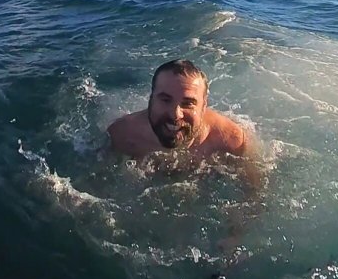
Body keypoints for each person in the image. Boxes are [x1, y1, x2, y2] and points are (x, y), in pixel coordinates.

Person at [108, 59, 262, 185]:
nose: (176, 114)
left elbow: (254, 190)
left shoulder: (229, 139)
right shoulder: (122, 134)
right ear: (151, 99)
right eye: (165, 100)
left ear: (203, 106)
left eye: (188, 103)